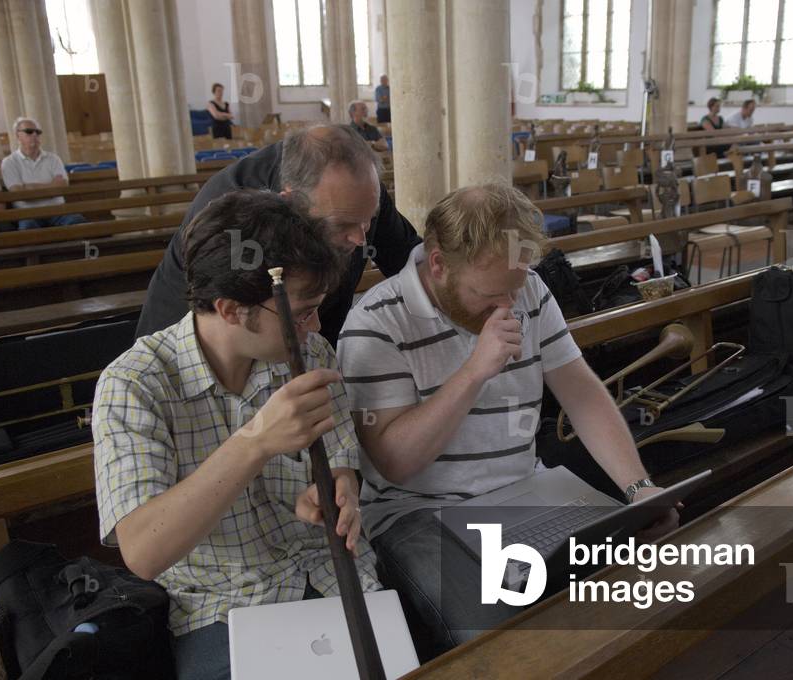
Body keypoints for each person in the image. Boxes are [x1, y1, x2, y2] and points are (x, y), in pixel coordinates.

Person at [337, 183, 681, 658]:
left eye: (515, 288)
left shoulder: (527, 289)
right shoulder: (375, 324)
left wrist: (638, 489)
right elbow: (396, 463)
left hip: (524, 489)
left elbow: (581, 393)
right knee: (501, 644)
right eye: (491, 293)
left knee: (651, 580)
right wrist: (475, 371)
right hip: (416, 513)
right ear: (438, 264)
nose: (508, 305)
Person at [93, 189, 380, 680]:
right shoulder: (136, 383)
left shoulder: (310, 355)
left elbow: (339, 458)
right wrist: (255, 442)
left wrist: (341, 488)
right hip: (224, 610)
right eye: (303, 311)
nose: (312, 328)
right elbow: (143, 552)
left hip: (334, 575)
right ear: (230, 310)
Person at [135, 124, 419, 346]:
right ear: (291, 200)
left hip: (306, 331)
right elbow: (234, 324)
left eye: (367, 220)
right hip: (202, 347)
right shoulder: (234, 217)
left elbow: (409, 261)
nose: (361, 240)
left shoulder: (358, 195)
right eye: (341, 225)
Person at [0, 117, 85, 230]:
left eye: (38, 132)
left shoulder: (53, 158)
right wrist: (51, 186)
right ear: (17, 136)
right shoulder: (9, 162)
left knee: (78, 222)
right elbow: (19, 193)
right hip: (29, 214)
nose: (35, 135)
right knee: (28, 229)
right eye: (29, 132)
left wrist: (31, 187)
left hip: (58, 211)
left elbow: (62, 187)